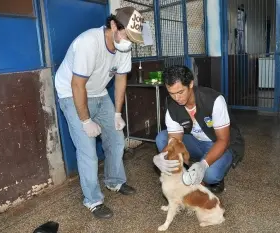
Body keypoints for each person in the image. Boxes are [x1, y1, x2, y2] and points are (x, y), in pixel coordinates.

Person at [54, 7, 144, 219]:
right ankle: (93, 200)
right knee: (88, 152)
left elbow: (121, 79)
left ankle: (114, 181)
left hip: (99, 93)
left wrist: (117, 114)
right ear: (113, 25)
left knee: (116, 139)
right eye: (126, 34)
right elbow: (77, 86)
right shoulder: (88, 43)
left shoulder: (123, 47)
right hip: (71, 92)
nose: (129, 41)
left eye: (133, 38)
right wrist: (85, 120)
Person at [153, 65, 245, 194]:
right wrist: (160, 156)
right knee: (162, 138)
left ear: (191, 84)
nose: (177, 98)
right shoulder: (172, 106)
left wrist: (203, 165)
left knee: (211, 174)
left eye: (180, 92)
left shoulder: (214, 100)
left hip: (220, 144)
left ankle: (209, 173)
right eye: (171, 93)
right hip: (196, 141)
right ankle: (186, 173)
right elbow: (174, 141)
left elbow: (223, 140)